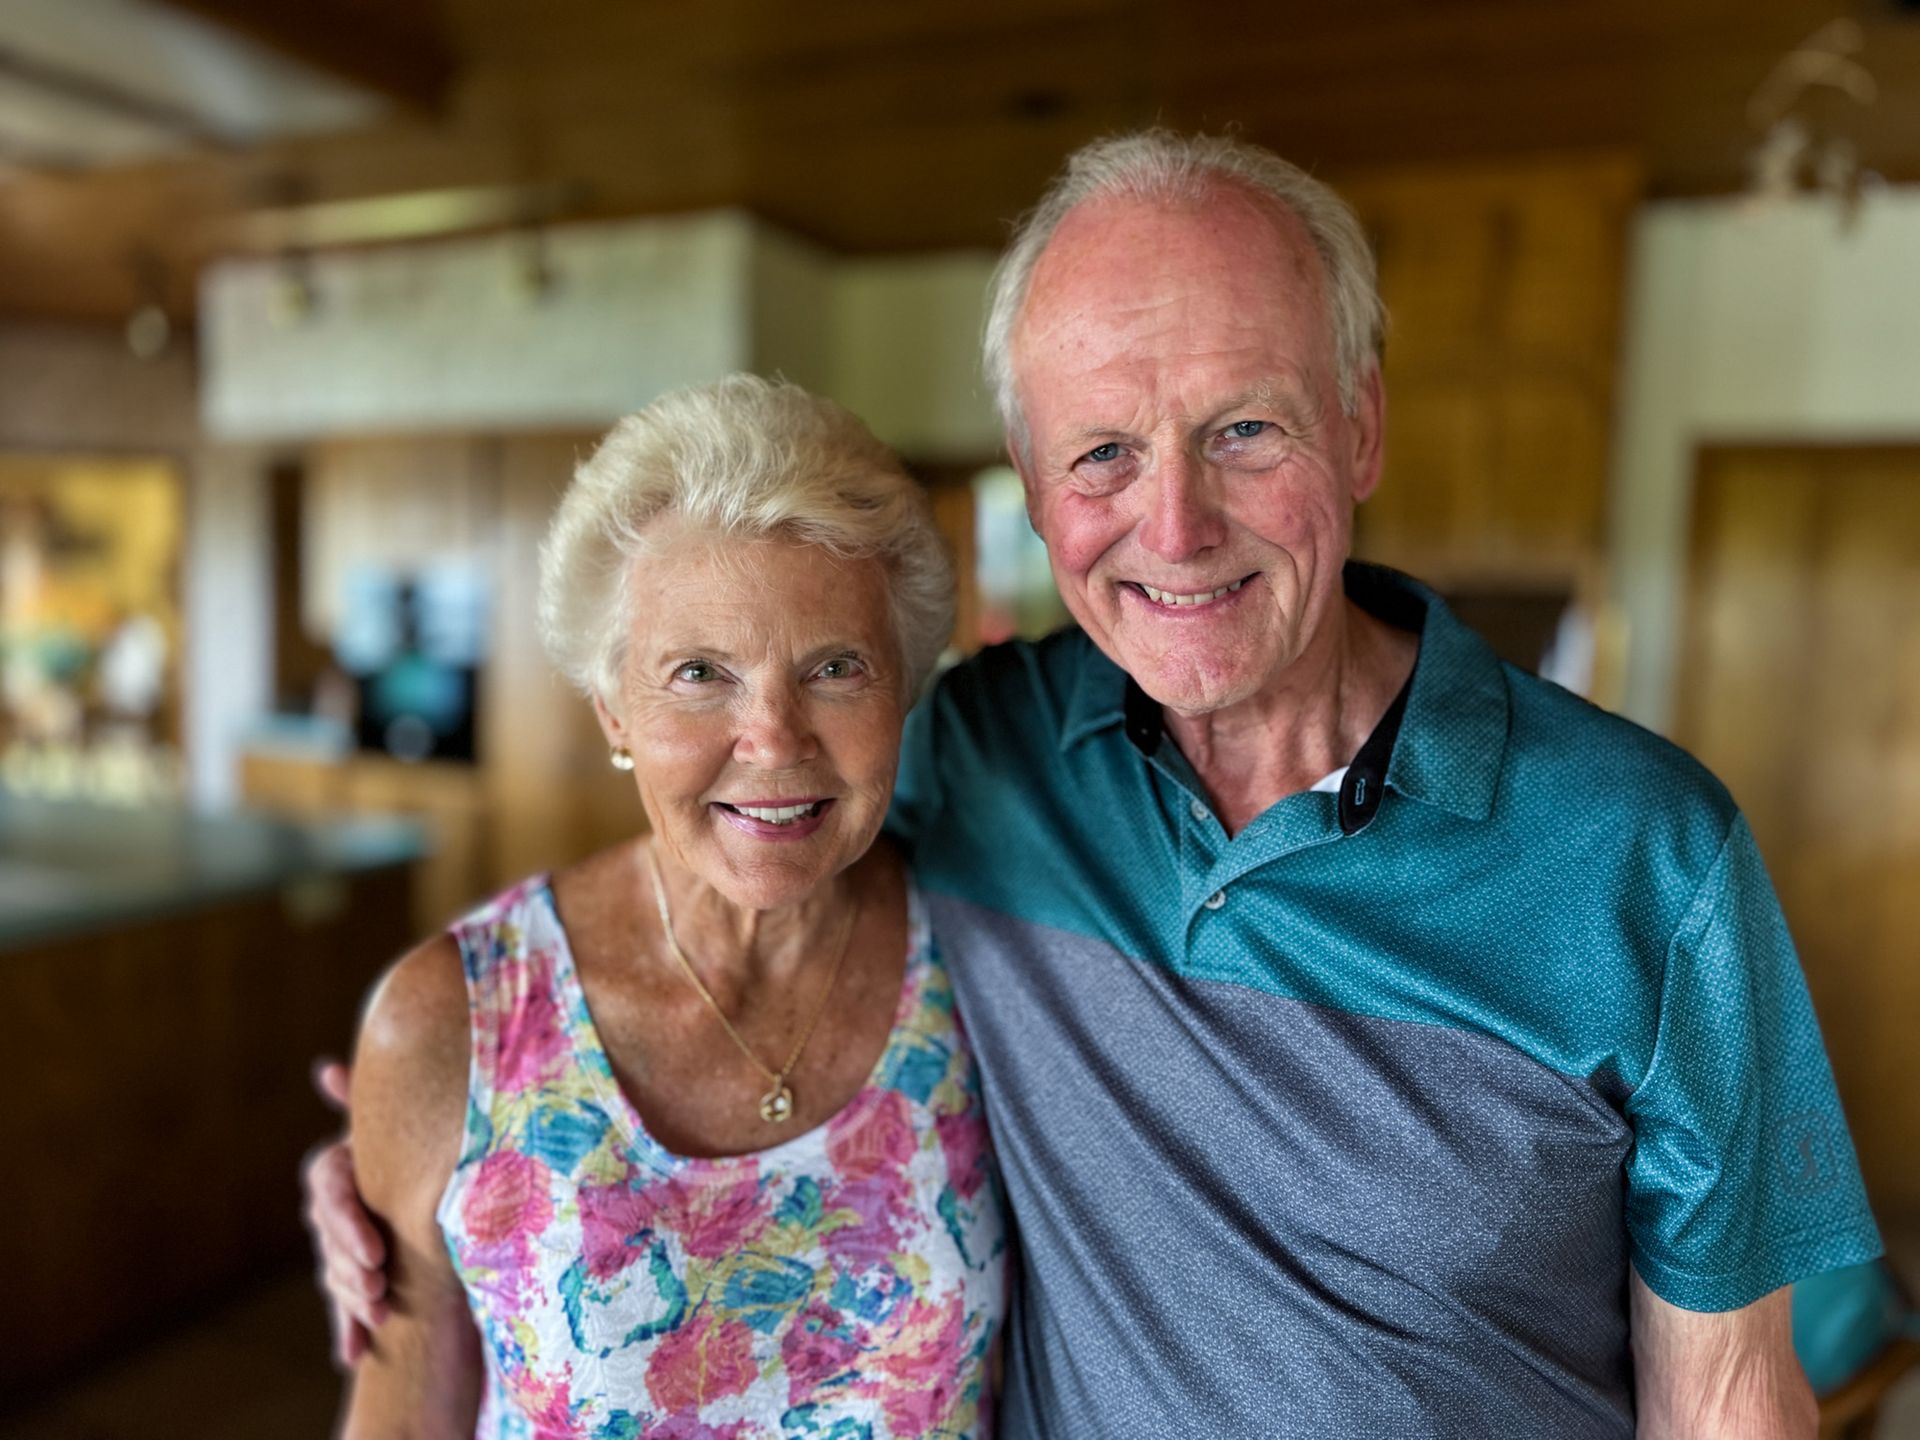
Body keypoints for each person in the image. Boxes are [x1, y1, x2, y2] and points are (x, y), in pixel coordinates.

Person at [311, 132, 1882, 1439]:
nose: (1176, 528)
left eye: (1246, 430)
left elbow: (1733, 1390)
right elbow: (741, 793)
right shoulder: (987, 751)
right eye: (1104, 456)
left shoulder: (1649, 857)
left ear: (1360, 424)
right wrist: (424, 1157)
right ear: (1032, 481)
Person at [332, 374, 1005, 1438]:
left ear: (904, 690)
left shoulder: (992, 956)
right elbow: (404, 1406)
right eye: (701, 673)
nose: (775, 741)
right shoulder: (451, 1024)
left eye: (836, 668)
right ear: (614, 709)